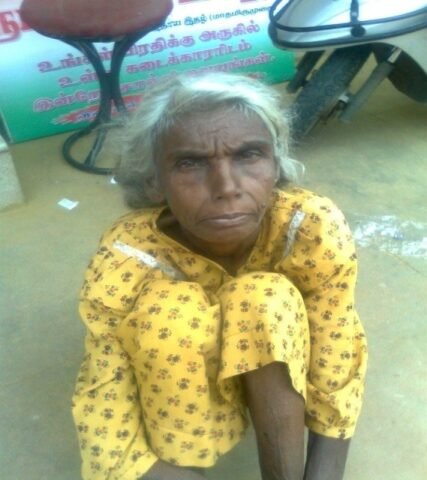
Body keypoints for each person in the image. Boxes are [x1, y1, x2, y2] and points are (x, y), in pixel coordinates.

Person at [72, 72, 368, 480]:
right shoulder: (127, 257)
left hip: (279, 362)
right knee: (168, 316)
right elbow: (106, 392)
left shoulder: (309, 227)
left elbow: (336, 344)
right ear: (155, 182)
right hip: (187, 375)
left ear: (275, 166)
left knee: (264, 297)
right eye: (190, 163)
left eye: (249, 155)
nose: (226, 187)